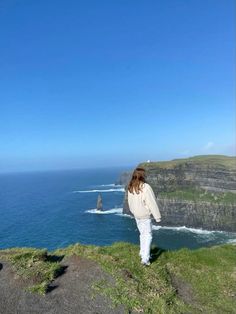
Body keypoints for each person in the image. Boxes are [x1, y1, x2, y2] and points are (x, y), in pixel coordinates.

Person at [127, 167, 161, 266]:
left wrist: (133, 212)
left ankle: (142, 252)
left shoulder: (131, 186)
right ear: (142, 176)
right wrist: (157, 217)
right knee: (148, 235)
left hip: (137, 215)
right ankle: (145, 259)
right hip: (145, 215)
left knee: (142, 234)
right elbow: (152, 203)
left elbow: (129, 202)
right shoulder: (145, 187)